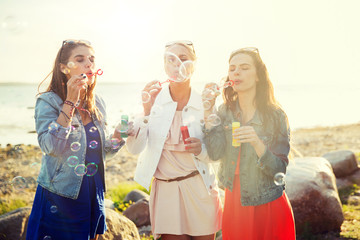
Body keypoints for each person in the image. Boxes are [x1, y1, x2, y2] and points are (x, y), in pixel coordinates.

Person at [26, 39, 130, 240]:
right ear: (64, 68)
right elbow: (51, 147)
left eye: (91, 59)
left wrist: (118, 136)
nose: (89, 64)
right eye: (80, 59)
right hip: (60, 195)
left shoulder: (97, 102)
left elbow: (99, 154)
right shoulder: (47, 101)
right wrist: (70, 102)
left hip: (93, 191)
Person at [126, 41, 222, 240]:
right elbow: (134, 149)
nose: (177, 64)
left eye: (184, 58)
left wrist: (201, 149)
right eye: (171, 59)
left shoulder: (204, 103)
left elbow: (217, 154)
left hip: (200, 188)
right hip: (166, 190)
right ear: (164, 65)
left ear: (194, 65)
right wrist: (146, 111)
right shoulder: (153, 100)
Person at [203, 47, 295, 239]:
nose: (236, 72)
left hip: (267, 201)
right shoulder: (223, 112)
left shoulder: (275, 116)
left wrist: (257, 142)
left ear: (258, 76)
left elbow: (279, 169)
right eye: (232, 68)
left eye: (244, 67)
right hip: (235, 202)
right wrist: (208, 112)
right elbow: (214, 153)